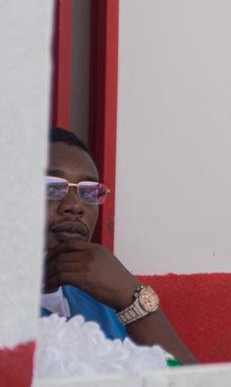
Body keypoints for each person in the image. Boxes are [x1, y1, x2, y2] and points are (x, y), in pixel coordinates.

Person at [41, 127, 196, 364]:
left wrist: (133, 299)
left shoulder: (102, 295)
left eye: (89, 191)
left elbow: (188, 380)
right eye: (51, 187)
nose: (75, 205)